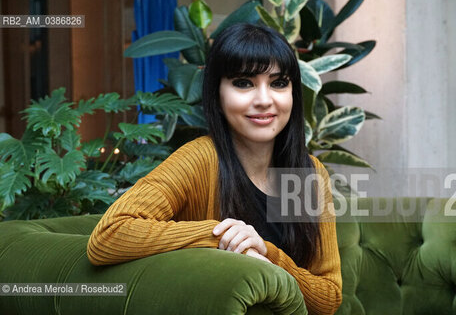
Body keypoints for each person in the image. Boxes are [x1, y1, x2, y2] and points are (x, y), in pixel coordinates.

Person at [87, 23, 342, 314]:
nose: (264, 100)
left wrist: (266, 253)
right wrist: (221, 237)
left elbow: (328, 299)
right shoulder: (200, 159)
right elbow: (108, 236)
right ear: (217, 96)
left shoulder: (309, 173)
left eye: (278, 82)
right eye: (244, 83)